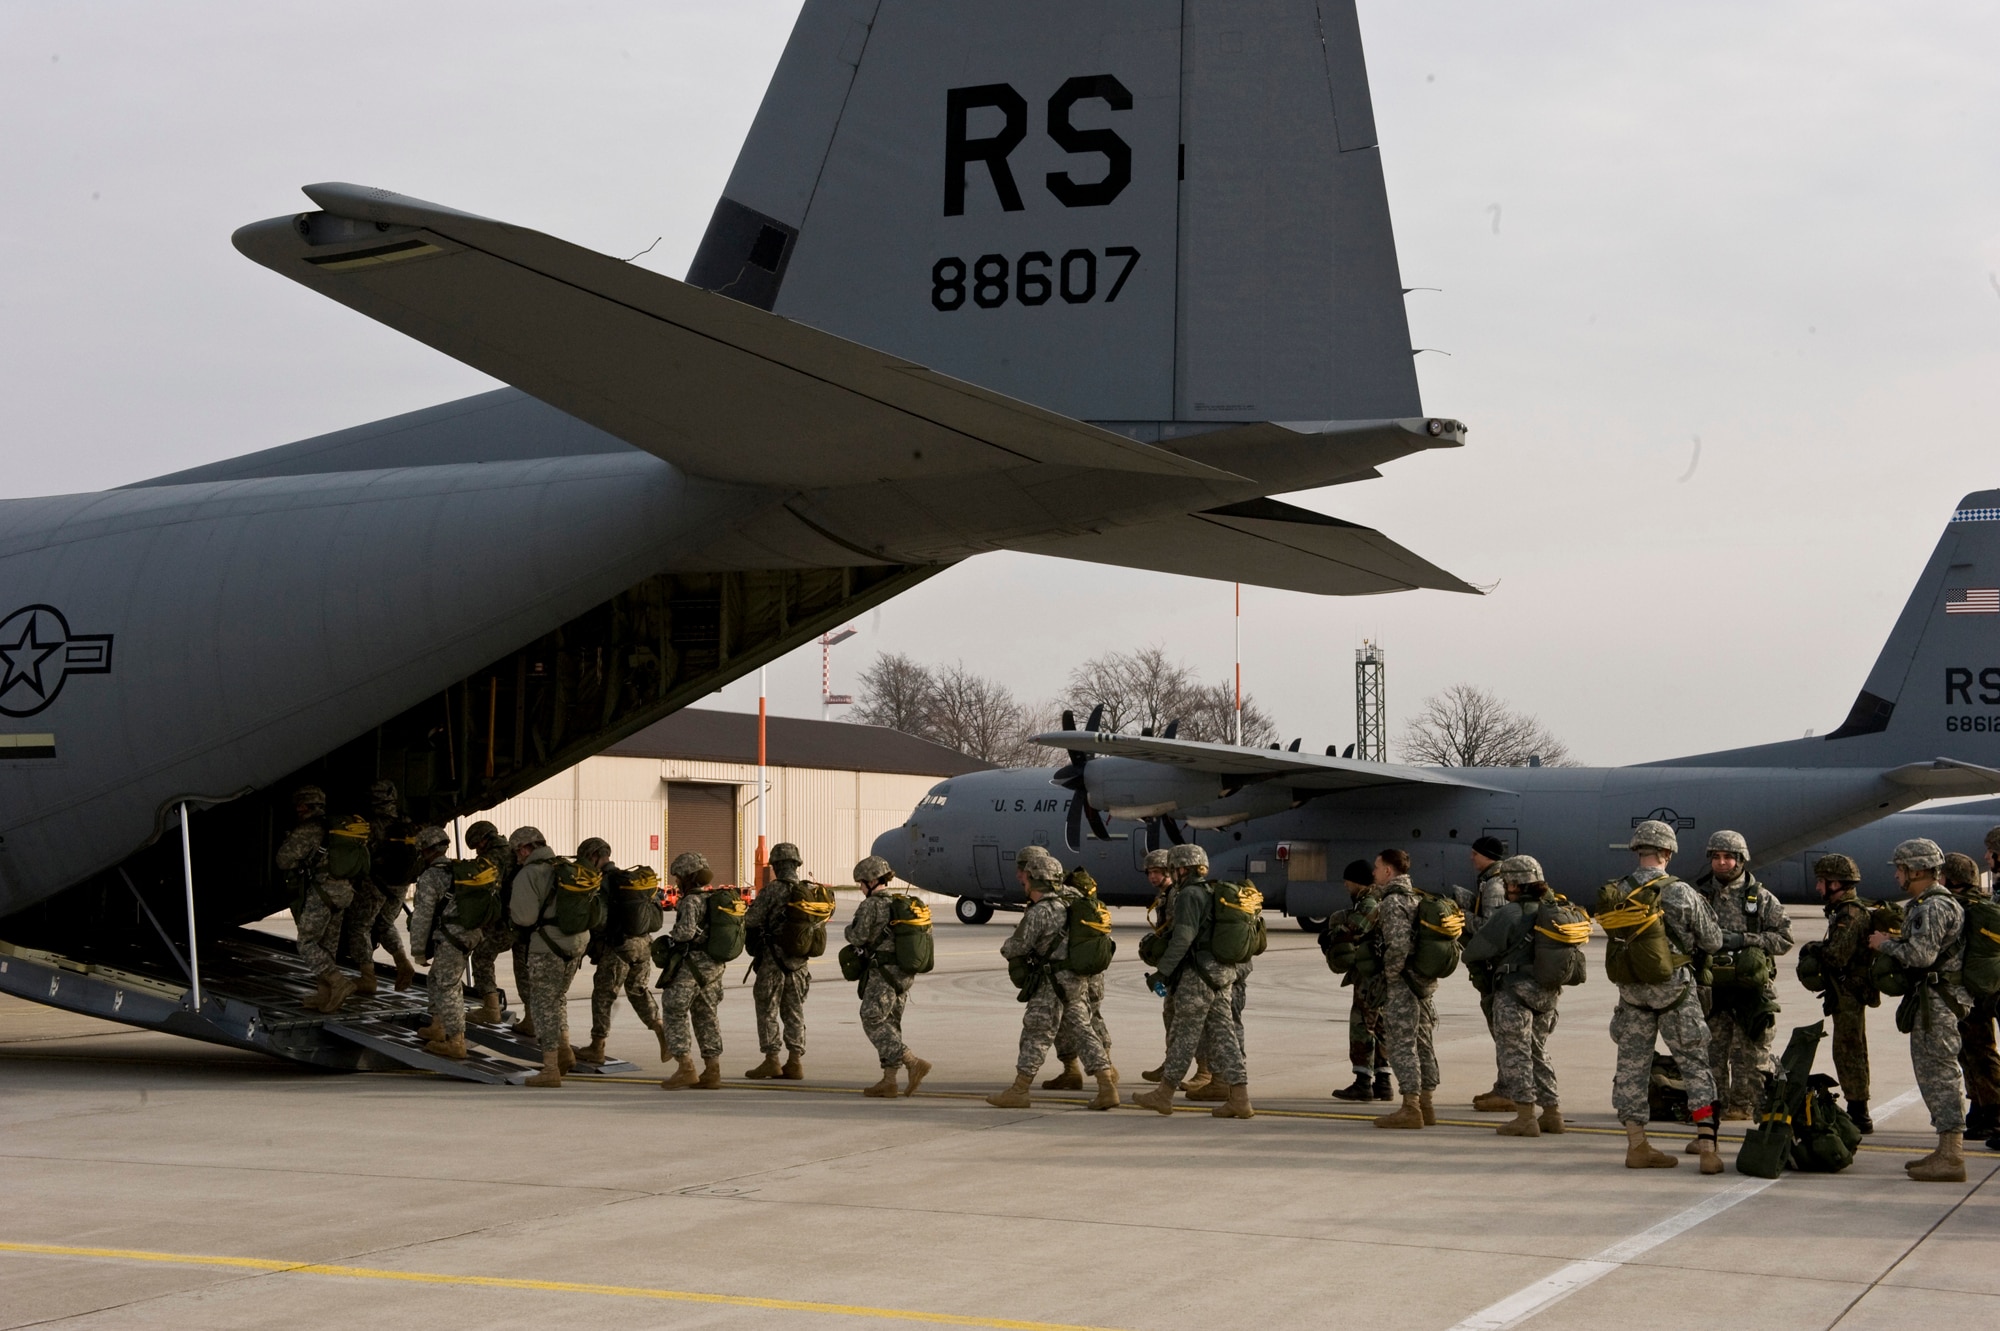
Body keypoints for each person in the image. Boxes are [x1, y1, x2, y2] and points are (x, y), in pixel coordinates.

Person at [1606, 820, 1725, 1173]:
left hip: (1631, 992)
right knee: (1694, 1064)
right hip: (1674, 989)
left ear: (1637, 850)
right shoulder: (1681, 892)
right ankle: (1707, 1148)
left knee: (1632, 1068)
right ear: (1667, 852)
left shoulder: (1616, 890)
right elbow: (1713, 941)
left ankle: (1637, 1146)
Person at [1870, 838, 1971, 1182]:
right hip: (1933, 1000)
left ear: (1916, 870)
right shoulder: (1927, 903)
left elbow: (1922, 956)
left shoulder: (1933, 907)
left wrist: (1883, 944)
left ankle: (1953, 1154)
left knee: (1940, 1074)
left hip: (1938, 1003)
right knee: (1934, 1072)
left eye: (1900, 868)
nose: (1897, 875)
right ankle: (1946, 1149)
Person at [987, 850, 1119, 1111]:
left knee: (1036, 1033)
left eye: (1026, 880)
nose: (1023, 883)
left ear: (1036, 880)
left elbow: (1016, 947)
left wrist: (1007, 948)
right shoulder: (1074, 902)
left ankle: (1019, 1090)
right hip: (1077, 982)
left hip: (1051, 984)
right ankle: (1106, 1086)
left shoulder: (1042, 912)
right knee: (1083, 1031)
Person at [1133, 843, 1250, 1119]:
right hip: (1220, 976)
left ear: (1181, 868)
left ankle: (1164, 1094)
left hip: (1198, 977)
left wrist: (1162, 972)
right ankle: (1240, 1098)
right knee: (1226, 1037)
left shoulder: (1189, 895)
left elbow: (1183, 937)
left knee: (1183, 1034)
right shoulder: (1211, 892)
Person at [1691, 830, 1794, 1118]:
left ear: (1741, 860)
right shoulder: (1699, 898)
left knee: (1754, 1059)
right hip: (1712, 993)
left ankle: (1759, 1115)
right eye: (1716, 857)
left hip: (1751, 993)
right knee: (1710, 1058)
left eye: (1728, 858)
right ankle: (1713, 1115)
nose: (1722, 863)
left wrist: (1745, 940)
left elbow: (1784, 939)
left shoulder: (1761, 899)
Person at [1462, 855, 1566, 1136]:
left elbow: (1475, 951)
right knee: (1538, 1052)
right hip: (1547, 993)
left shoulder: (1510, 914)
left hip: (1515, 993)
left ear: (1514, 885)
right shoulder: (1552, 910)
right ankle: (1552, 1114)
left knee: (1516, 1054)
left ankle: (1525, 1117)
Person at [577, 840, 669, 1067]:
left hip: (618, 947)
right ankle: (661, 1028)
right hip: (644, 945)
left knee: (603, 995)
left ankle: (597, 1047)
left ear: (594, 856)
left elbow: (601, 919)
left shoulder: (604, 882)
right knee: (638, 991)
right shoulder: (628, 881)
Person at [846, 855, 931, 1097]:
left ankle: (912, 1061)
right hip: (903, 974)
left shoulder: (871, 905)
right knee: (891, 1023)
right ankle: (889, 1080)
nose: (861, 888)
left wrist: (847, 930)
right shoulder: (899, 903)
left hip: (882, 973)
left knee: (871, 1017)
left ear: (872, 881)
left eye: (861, 883)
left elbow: (857, 936)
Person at [1371, 849, 1441, 1130]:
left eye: (1377, 867)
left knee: (1401, 1044)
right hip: (1422, 983)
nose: (1373, 872)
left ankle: (1410, 1107)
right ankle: (1426, 1104)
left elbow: (1398, 945)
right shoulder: (1416, 897)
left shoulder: (1392, 902)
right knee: (1424, 1042)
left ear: (1389, 871)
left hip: (1403, 984)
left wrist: (1389, 975)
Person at [505, 825, 581, 1088]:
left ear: (527, 848)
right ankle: (565, 1052)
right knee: (558, 999)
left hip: (547, 946)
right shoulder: (562, 867)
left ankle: (550, 1068)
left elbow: (523, 918)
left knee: (542, 1006)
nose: (516, 858)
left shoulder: (529, 874)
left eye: (517, 852)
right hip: (576, 943)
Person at [1137, 848, 1213, 1096]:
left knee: (1192, 1023)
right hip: (1178, 968)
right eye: (1150, 872)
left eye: (1158, 872)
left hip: (1187, 969)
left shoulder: (1179, 896)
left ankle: (1204, 1071)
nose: (1153, 876)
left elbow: (1181, 936)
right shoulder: (1167, 896)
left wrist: (1165, 969)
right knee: (1171, 1015)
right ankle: (1171, 1065)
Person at [1810, 853, 1878, 1132]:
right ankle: (1857, 1108)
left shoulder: (1850, 913)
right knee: (1848, 1049)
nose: (1818, 888)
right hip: (1845, 992)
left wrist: (1814, 949)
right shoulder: (1844, 911)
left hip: (1849, 992)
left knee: (1849, 1050)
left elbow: (1837, 955)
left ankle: (1859, 1112)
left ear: (1836, 883)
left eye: (1822, 882)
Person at [275, 785, 357, 1014]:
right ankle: (325, 995)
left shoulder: (307, 830)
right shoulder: (336, 827)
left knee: (307, 943)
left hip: (322, 893)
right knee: (327, 946)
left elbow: (283, 860)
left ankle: (339, 982)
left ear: (304, 805)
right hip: (344, 892)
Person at [741, 842, 818, 1080]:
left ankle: (771, 1060)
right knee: (794, 1011)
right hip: (799, 963)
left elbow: (752, 919)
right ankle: (795, 1062)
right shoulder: (810, 891)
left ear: (775, 865)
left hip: (773, 961)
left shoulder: (773, 890)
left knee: (767, 1009)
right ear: (796, 864)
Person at [658, 851, 730, 1091]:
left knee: (673, 1008)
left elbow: (686, 933)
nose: (677, 882)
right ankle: (712, 1070)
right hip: (713, 969)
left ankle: (685, 1067)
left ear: (688, 877)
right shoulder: (713, 899)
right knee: (706, 1015)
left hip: (693, 966)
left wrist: (670, 939)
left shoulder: (691, 901)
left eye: (679, 877)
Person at [1944, 848, 1999, 1148]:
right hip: (1977, 991)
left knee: (1979, 1054)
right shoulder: (1980, 904)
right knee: (1973, 1053)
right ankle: (1981, 1110)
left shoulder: (1962, 909)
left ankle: (1991, 1113)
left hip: (1970, 993)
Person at [343, 779, 418, 994]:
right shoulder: (406, 820)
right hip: (400, 885)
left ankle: (367, 977)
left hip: (375, 884)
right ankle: (402, 962)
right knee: (385, 924)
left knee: (360, 926)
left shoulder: (372, 825)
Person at [406, 825, 475, 1058]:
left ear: (425, 851)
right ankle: (437, 1025)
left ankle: (456, 1041)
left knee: (447, 986)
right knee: (436, 979)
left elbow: (422, 916)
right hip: (466, 936)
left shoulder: (430, 876)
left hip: (450, 939)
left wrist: (418, 950)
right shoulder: (459, 870)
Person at [1330, 859, 1394, 1103]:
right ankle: (1384, 1083)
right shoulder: (1380, 898)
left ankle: (1362, 1083)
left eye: (1348, 881)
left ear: (1357, 881)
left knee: (1362, 1024)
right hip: (1381, 972)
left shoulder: (1369, 901)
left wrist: (1333, 933)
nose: (1346, 885)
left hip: (1371, 976)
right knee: (1380, 1027)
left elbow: (1355, 928)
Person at [1047, 867, 1114, 1090]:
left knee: (1068, 1019)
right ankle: (1108, 1066)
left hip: (1070, 972)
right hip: (1094, 970)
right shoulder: (1090, 904)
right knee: (1093, 1015)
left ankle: (1072, 1070)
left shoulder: (1059, 901)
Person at [1464, 836, 1515, 1112]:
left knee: (1502, 1030)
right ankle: (1504, 1085)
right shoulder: (1494, 880)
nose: (1471, 858)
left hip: (1497, 968)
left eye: (1475, 854)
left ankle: (1509, 1089)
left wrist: (1463, 916)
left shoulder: (1494, 885)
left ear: (1486, 856)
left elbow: (1490, 928)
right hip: (1498, 968)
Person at [462, 820, 520, 1027]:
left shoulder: (493, 858)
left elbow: (486, 894)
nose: (477, 850)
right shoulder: (513, 851)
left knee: (482, 957)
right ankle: (531, 1019)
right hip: (522, 922)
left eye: (477, 845)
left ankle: (491, 1008)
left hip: (503, 923)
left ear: (485, 840)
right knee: (524, 974)